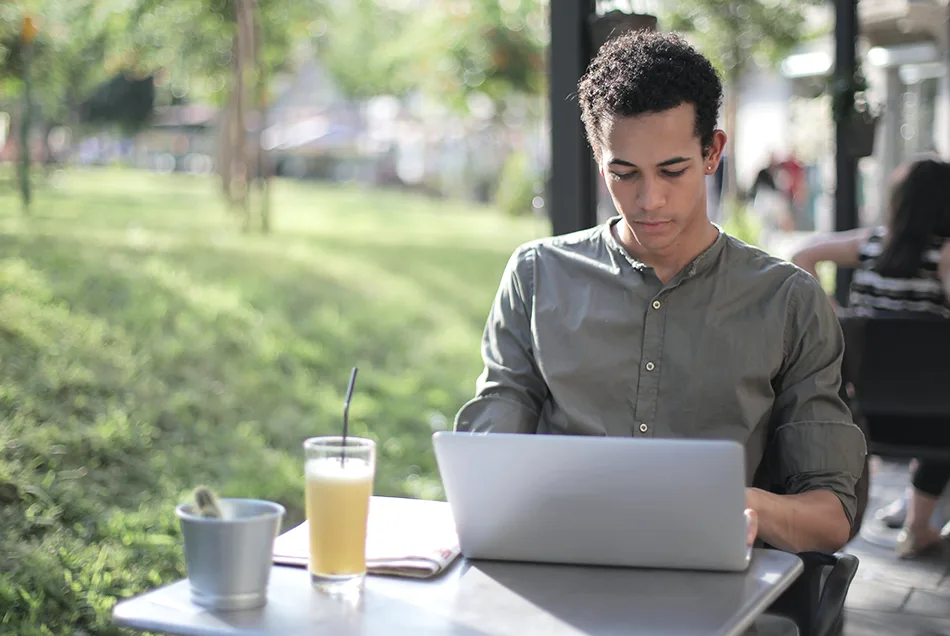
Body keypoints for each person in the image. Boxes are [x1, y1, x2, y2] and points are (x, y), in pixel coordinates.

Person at [455, 30, 866, 555]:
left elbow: (830, 517)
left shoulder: (788, 301)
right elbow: (488, 466)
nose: (649, 199)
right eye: (623, 174)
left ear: (712, 152)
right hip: (562, 568)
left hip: (716, 586)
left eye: (673, 170)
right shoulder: (537, 276)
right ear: (599, 159)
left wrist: (741, 505)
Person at [791, 157, 950, 558]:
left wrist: (834, 318)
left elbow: (802, 255)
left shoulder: (870, 245)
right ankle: (917, 526)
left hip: (863, 414)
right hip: (937, 420)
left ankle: (912, 521)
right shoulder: (946, 257)